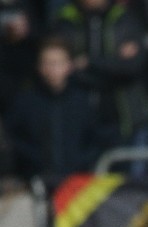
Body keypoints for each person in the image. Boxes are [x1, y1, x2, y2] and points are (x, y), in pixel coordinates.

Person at [50, 0, 148, 154]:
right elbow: (62, 66)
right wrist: (113, 64)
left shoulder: (125, 18)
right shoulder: (65, 20)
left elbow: (132, 66)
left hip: (122, 117)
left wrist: (89, 62)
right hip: (79, 117)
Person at [5, 35, 102, 192]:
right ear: (39, 67)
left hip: (76, 186)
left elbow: (95, 140)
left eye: (58, 63)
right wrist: (32, 167)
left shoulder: (83, 102)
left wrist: (81, 167)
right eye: (48, 63)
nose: (53, 69)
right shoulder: (25, 102)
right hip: (34, 184)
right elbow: (15, 140)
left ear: (69, 66)